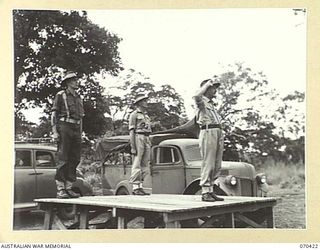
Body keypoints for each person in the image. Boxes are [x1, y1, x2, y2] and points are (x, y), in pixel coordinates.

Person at [51, 71, 84, 199]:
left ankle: (69, 187)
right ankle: (60, 189)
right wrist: (54, 131)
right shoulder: (61, 95)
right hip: (64, 126)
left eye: (76, 79)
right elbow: (54, 114)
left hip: (76, 127)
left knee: (75, 158)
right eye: (73, 80)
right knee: (63, 157)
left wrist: (80, 132)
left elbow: (80, 117)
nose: (76, 82)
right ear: (68, 82)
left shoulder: (78, 97)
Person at [193, 77, 225, 202]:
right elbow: (196, 96)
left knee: (217, 164)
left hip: (217, 132)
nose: (215, 90)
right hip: (208, 131)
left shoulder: (211, 104)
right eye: (213, 88)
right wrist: (206, 85)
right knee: (209, 162)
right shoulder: (201, 101)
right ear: (206, 89)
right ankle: (205, 191)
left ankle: (211, 190)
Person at [128, 94, 152, 195]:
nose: (146, 102)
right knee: (137, 161)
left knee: (145, 163)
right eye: (144, 101)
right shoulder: (134, 114)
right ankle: (135, 187)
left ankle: (140, 186)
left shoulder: (146, 116)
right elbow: (131, 131)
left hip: (146, 137)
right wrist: (133, 146)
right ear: (139, 103)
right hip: (138, 137)